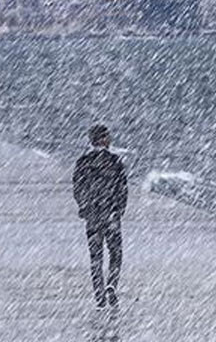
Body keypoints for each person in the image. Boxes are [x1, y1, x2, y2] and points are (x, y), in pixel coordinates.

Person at [72, 125, 128, 309]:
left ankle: (99, 294)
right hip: (111, 215)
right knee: (115, 253)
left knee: (95, 257)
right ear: (103, 139)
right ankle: (112, 284)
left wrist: (85, 207)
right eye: (107, 136)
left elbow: (78, 188)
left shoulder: (83, 162)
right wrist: (119, 209)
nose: (109, 139)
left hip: (93, 217)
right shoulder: (115, 161)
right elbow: (122, 188)